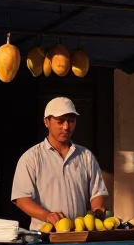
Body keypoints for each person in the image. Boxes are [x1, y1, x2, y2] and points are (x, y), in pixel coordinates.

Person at [11, 97, 109, 230]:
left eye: (71, 121)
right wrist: (47, 216)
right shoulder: (31, 157)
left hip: (80, 234)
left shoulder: (86, 156)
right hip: (45, 237)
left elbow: (97, 192)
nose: (66, 127)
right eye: (60, 121)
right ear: (46, 122)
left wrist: (97, 210)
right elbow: (21, 199)